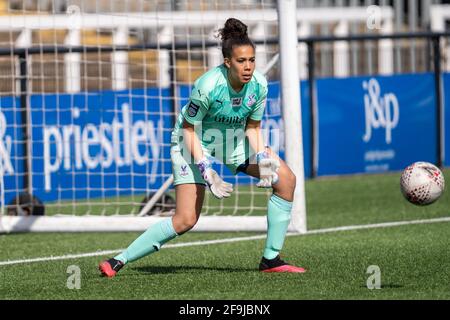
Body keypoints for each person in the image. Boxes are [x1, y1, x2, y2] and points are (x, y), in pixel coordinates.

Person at [99, 18, 306, 277]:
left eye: (252, 60)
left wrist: (263, 156)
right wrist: (206, 169)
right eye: (241, 61)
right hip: (190, 143)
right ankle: (118, 260)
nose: (248, 67)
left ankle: (271, 260)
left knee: (285, 180)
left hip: (229, 140)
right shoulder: (207, 85)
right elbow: (188, 129)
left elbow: (252, 127)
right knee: (186, 219)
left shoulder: (259, 86)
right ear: (227, 62)